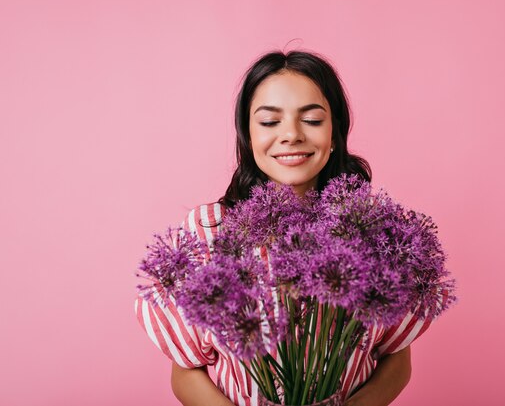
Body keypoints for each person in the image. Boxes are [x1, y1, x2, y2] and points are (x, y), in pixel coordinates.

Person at [135, 49, 448, 406]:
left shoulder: (377, 233)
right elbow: (185, 369)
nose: (291, 135)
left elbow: (395, 354)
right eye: (270, 122)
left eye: (312, 120)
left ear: (335, 134)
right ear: (248, 137)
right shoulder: (208, 232)